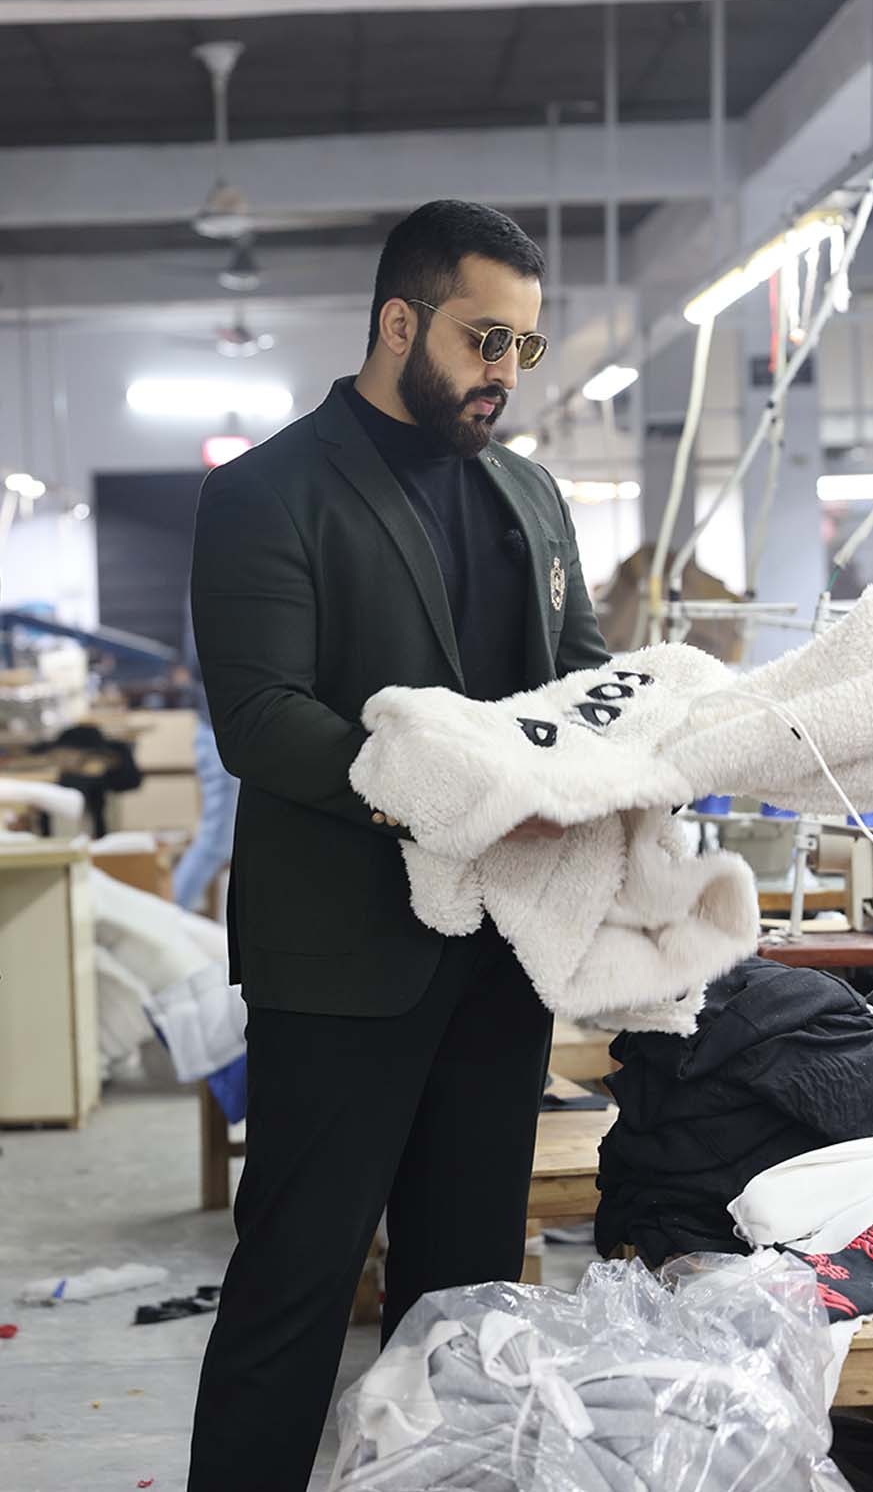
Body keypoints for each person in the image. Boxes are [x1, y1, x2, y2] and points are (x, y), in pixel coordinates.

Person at [186, 199, 610, 1492]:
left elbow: (581, 679)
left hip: (500, 953)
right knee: (296, 1284)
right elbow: (264, 718)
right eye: (486, 339)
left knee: (466, 1300)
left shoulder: (528, 493)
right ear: (397, 322)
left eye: (524, 347)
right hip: (343, 961)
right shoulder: (269, 491)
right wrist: (448, 793)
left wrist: (646, 752)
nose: (505, 372)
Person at [171, 603, 239, 911]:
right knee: (216, 844)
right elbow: (199, 662)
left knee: (223, 843)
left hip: (223, 731)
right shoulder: (215, 584)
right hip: (220, 733)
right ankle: (166, 922)